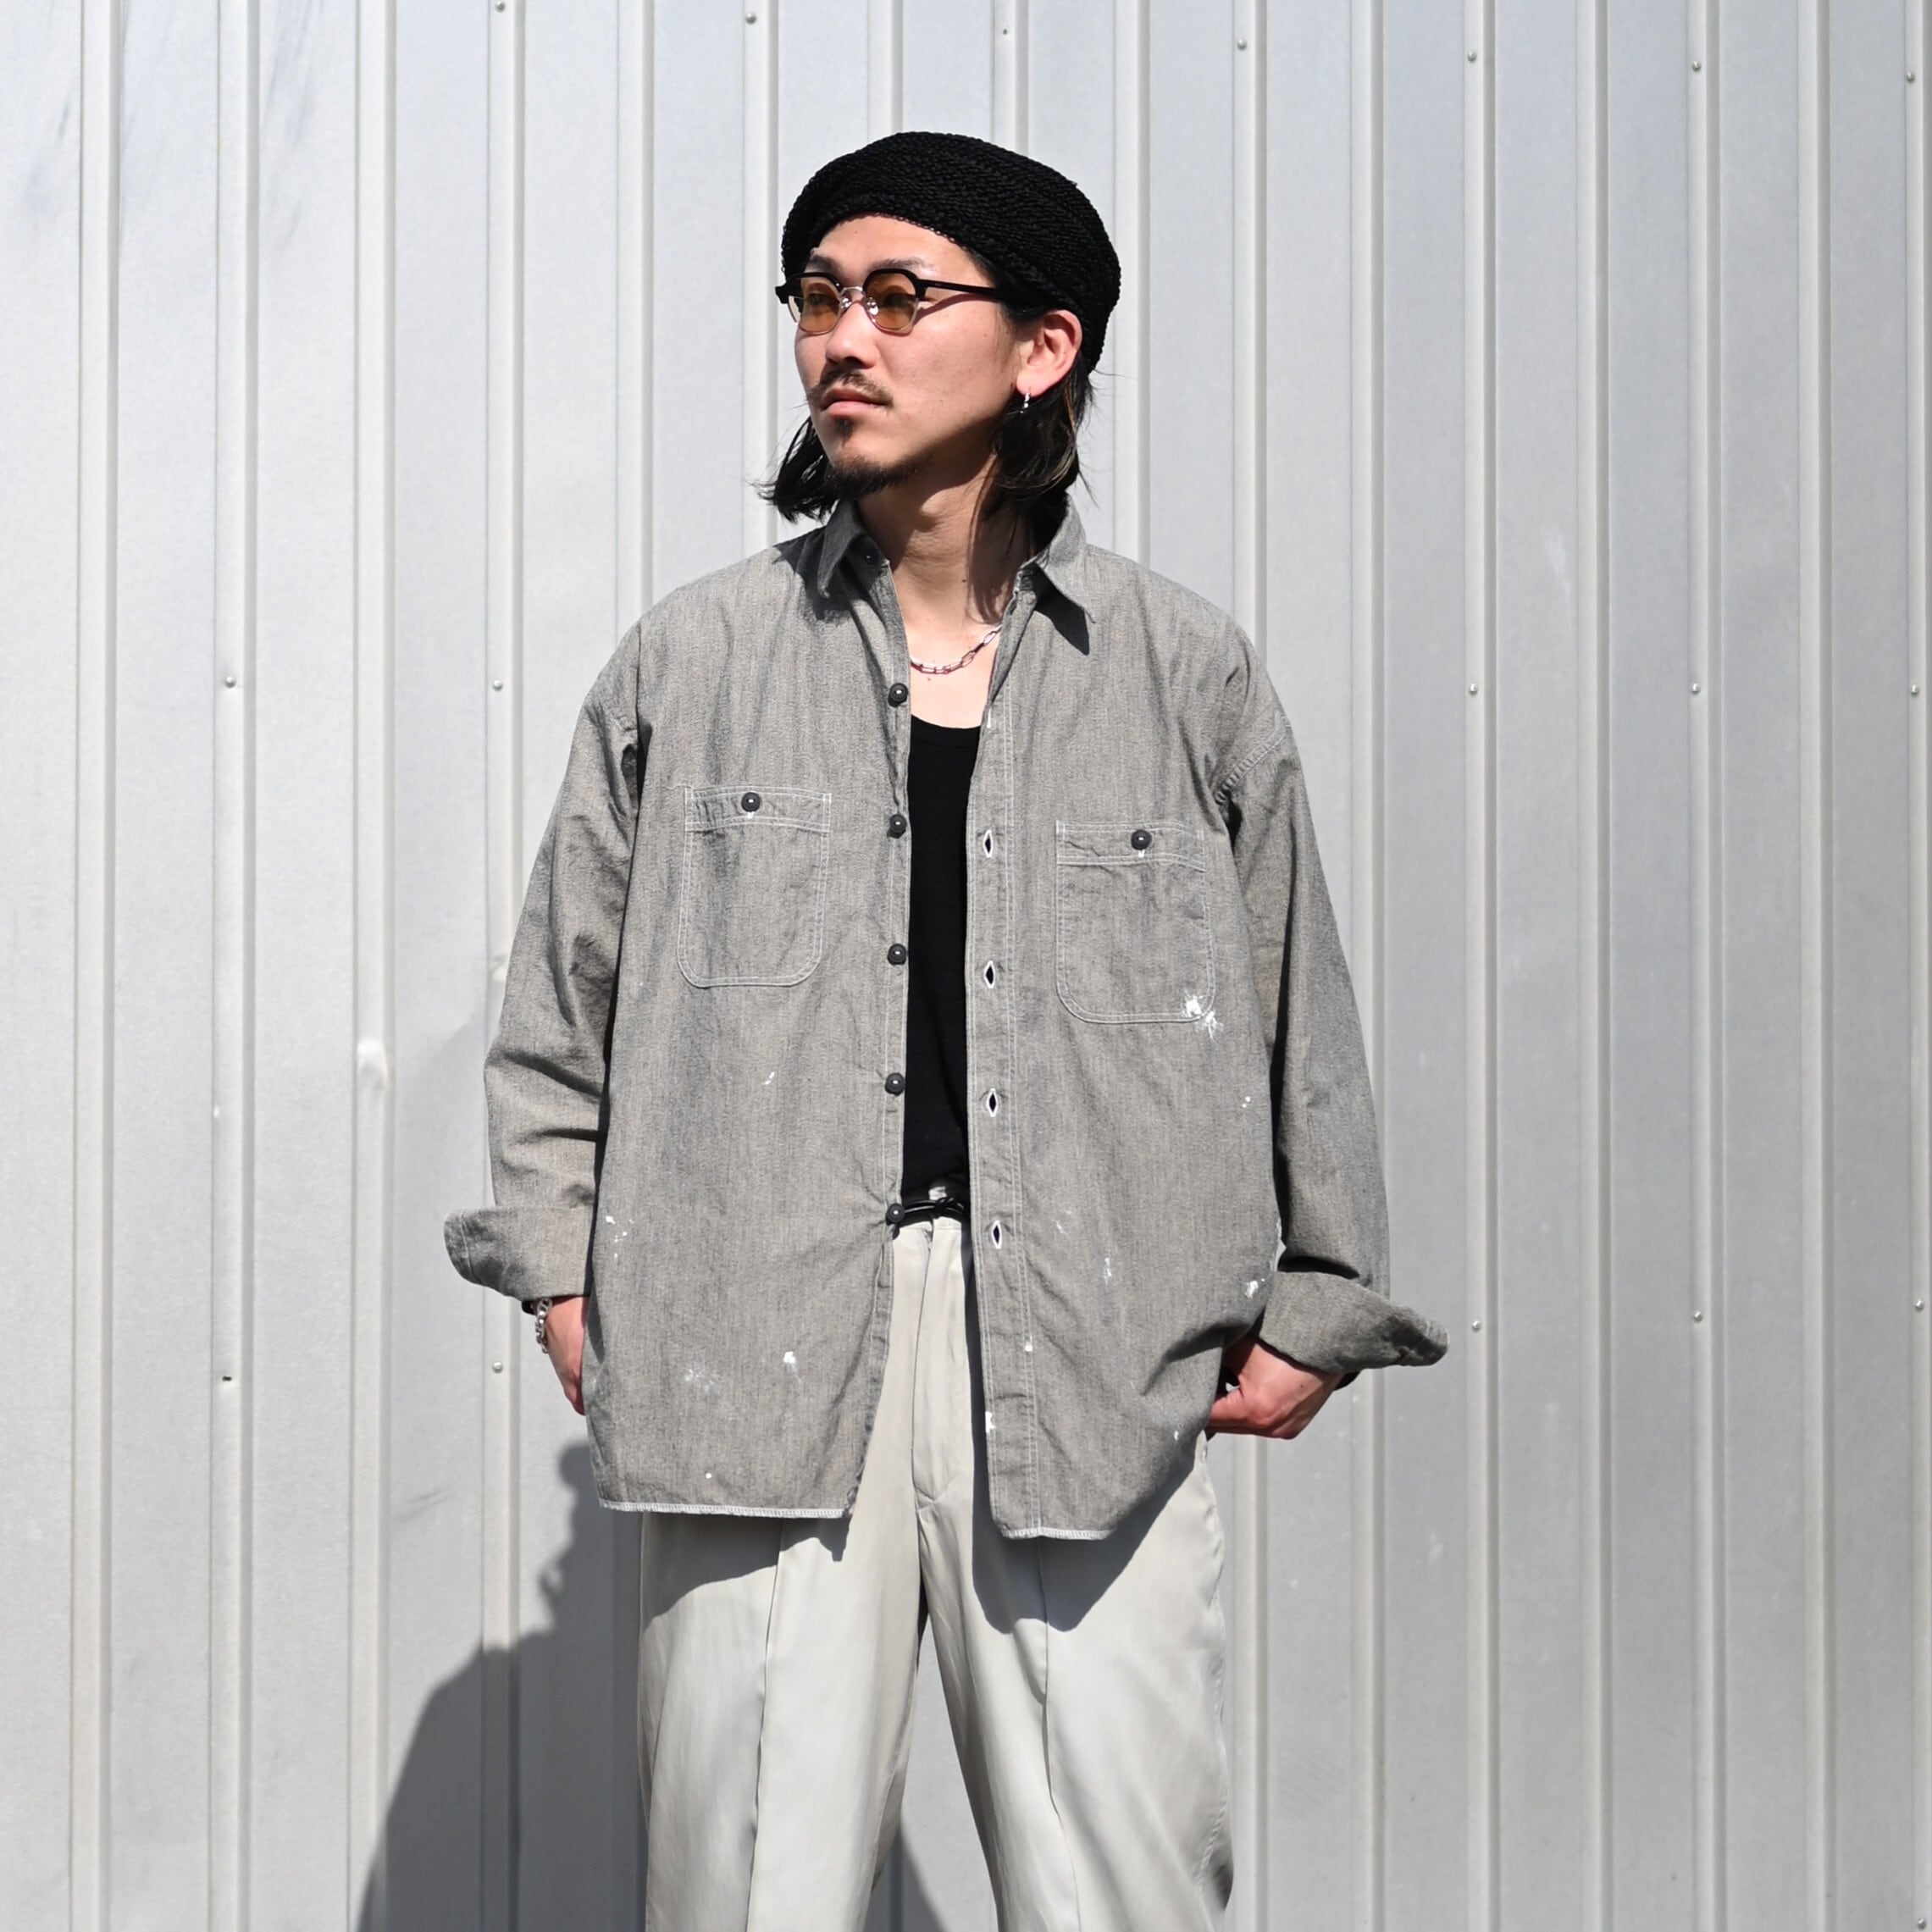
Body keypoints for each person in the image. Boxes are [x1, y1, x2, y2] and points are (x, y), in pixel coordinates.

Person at [445, 130, 1447, 1930]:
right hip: (751, 1344)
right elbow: (558, 1007)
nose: (843, 338)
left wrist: (1323, 1294)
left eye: (900, 298)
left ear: (1042, 347)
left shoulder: (1179, 674)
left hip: (1092, 1353)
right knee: (744, 1890)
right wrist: (560, 1273)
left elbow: (1294, 988)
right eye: (818, 297)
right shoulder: (692, 663)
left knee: (1124, 1887)